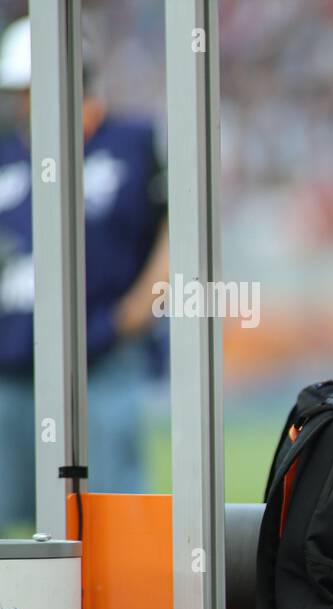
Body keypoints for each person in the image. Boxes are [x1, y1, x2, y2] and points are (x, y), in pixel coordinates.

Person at [0, 16, 168, 535]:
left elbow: (177, 235)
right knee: (13, 525)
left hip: (101, 356)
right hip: (13, 363)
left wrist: (130, 316)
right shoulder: (8, 154)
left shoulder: (132, 143)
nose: (21, 103)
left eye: (28, 90)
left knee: (112, 518)